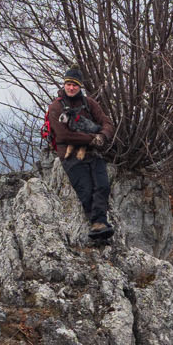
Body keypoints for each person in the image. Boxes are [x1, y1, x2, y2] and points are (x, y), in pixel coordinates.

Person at [43, 67, 116, 244]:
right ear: (64, 85)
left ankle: (100, 224)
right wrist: (93, 138)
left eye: (74, 85)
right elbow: (63, 136)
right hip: (70, 155)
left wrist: (104, 135)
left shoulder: (90, 104)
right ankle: (96, 224)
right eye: (68, 84)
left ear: (79, 86)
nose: (71, 88)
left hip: (92, 153)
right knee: (85, 189)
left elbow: (107, 123)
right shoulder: (56, 107)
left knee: (103, 186)